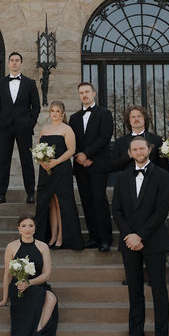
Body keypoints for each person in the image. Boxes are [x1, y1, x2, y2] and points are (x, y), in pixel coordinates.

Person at [111, 137, 169, 336]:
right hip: (129, 243)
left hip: (154, 240)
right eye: (134, 149)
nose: (138, 151)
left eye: (142, 148)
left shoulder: (163, 176)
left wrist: (140, 235)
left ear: (149, 150)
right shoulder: (121, 177)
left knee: (159, 290)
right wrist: (129, 235)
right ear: (130, 152)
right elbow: (116, 210)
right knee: (134, 291)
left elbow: (161, 211)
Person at [0, 215, 58, 336]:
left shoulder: (43, 246)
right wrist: (4, 299)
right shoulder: (11, 246)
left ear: (35, 229)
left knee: (52, 298)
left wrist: (29, 282)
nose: (27, 229)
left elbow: (47, 274)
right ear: (19, 229)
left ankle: (37, 332)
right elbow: (7, 274)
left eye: (31, 226)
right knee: (41, 295)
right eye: (24, 225)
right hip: (19, 287)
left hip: (37, 283)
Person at [67, 82, 114, 250]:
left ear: (94, 93)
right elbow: (71, 142)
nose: (84, 95)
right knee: (86, 201)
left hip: (98, 165)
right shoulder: (74, 118)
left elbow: (104, 138)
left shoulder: (105, 114)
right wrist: (79, 156)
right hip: (80, 166)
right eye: (81, 92)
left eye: (87, 92)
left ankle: (105, 239)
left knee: (99, 200)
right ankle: (93, 237)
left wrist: (87, 155)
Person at [0, 52, 41, 204]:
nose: (14, 63)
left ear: (21, 63)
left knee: (26, 161)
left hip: (24, 128)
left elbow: (36, 107)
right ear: (8, 63)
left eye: (17, 60)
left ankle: (30, 193)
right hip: (5, 128)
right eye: (12, 60)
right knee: (3, 161)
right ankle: (1, 194)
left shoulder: (30, 83)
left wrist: (29, 123)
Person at [34, 101, 84, 250]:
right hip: (46, 170)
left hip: (61, 169)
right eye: (52, 111)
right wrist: (41, 161)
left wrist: (56, 162)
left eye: (57, 111)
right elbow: (38, 149)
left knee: (60, 202)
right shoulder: (44, 128)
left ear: (62, 114)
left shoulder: (67, 129)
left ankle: (62, 237)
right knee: (49, 203)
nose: (54, 113)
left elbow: (71, 150)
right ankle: (52, 236)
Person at [110, 105, 168, 173]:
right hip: (128, 181)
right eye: (133, 117)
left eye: (139, 116)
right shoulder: (120, 142)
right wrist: (127, 156)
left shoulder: (157, 140)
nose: (136, 119)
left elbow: (164, 166)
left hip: (152, 181)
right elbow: (113, 165)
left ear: (144, 119)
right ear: (129, 121)